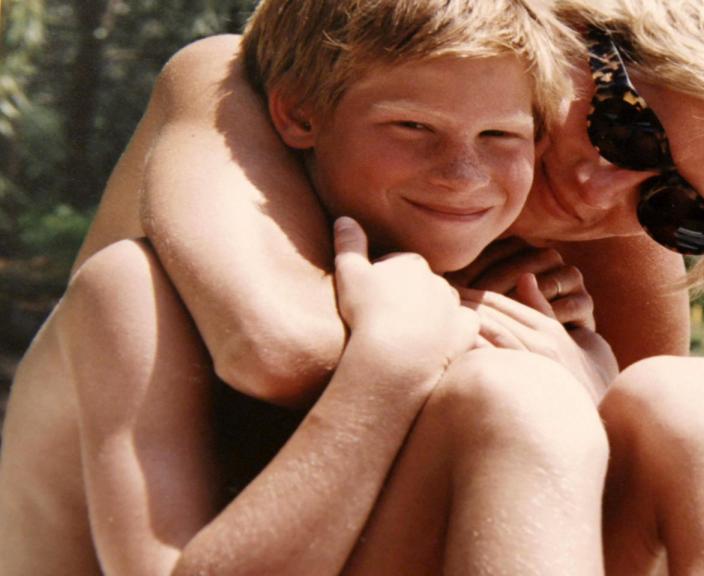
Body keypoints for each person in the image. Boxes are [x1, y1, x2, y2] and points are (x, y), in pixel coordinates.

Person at [0, 1, 618, 574]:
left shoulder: (479, 288)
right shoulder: (135, 292)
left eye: (500, 136)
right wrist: (391, 365)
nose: (462, 174)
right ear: (298, 116)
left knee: (693, 402)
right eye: (411, 126)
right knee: (518, 398)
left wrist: (587, 374)